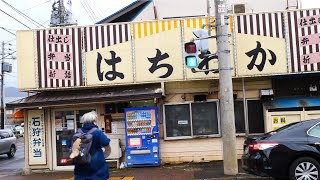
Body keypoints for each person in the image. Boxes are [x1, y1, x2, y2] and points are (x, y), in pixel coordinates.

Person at [73, 111, 110, 180]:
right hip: (96, 165)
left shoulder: (78, 132)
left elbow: (70, 145)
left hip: (81, 164)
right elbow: (106, 142)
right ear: (93, 121)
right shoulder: (97, 132)